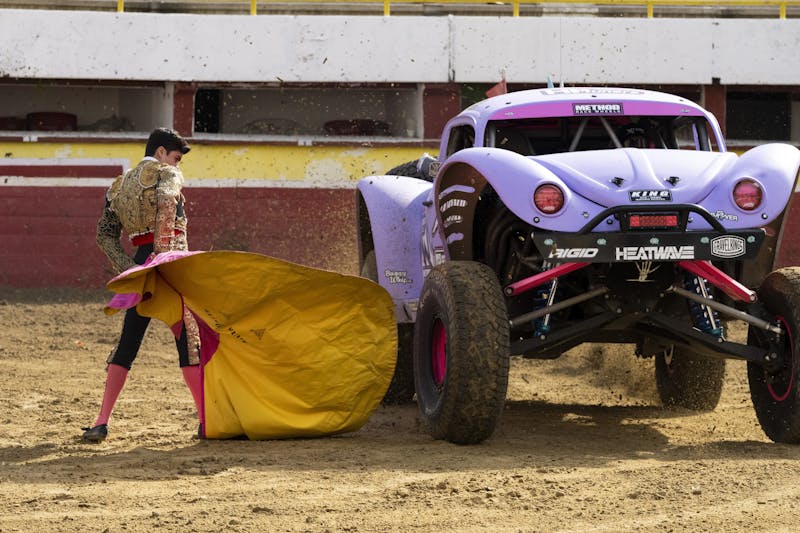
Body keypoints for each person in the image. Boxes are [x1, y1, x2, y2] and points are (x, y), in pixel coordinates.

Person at [82, 127, 203, 443]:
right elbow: (166, 206)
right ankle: (206, 421)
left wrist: (132, 269)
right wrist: (163, 260)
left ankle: (101, 421)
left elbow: (104, 236)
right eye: (176, 158)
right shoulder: (166, 174)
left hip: (141, 263)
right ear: (162, 153)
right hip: (171, 263)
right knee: (188, 341)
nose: (177, 166)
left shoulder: (119, 186)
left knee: (128, 342)